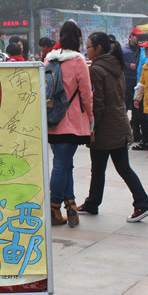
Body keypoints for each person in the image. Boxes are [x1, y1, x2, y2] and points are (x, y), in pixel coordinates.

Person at [78, 32, 148, 222]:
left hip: (106, 127)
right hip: (119, 122)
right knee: (108, 167)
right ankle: (93, 203)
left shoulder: (96, 69)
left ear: (98, 48)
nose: (87, 50)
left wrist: (92, 128)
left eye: (89, 46)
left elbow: (98, 103)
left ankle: (142, 204)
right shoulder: (116, 65)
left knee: (113, 168)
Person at [46, 21, 94, 227]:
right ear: (79, 38)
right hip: (72, 122)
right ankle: (54, 208)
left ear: (60, 37)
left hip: (51, 120)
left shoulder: (49, 60)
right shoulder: (78, 61)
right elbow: (86, 95)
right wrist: (90, 118)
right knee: (61, 165)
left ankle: (71, 207)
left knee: (65, 164)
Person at [123, 28, 141, 141]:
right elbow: (119, 62)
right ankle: (123, 131)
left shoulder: (142, 50)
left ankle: (136, 132)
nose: (138, 39)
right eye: (136, 36)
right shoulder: (123, 50)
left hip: (138, 81)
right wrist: (128, 65)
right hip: (127, 80)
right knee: (124, 105)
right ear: (131, 36)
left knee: (137, 108)